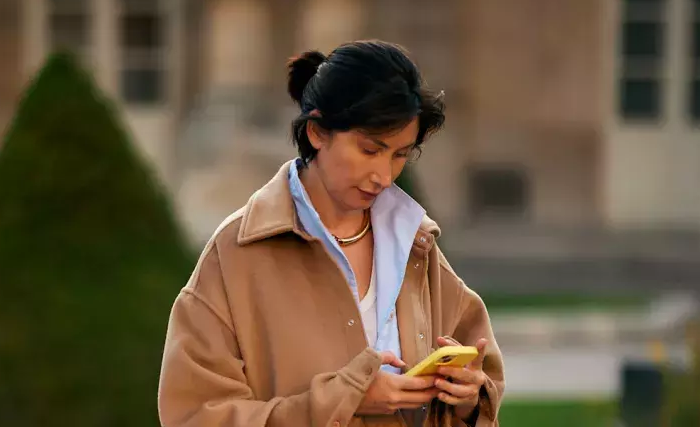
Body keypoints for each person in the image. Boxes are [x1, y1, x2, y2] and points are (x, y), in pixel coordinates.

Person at [158, 40, 505, 426]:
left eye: (400, 154)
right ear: (318, 132)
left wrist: (468, 398)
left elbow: (482, 381)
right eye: (370, 150)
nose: (385, 175)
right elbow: (193, 416)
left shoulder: (416, 245)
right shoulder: (236, 254)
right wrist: (342, 401)